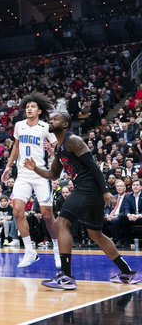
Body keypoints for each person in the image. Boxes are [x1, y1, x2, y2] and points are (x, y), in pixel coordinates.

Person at [25, 112, 140, 290]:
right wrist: (35, 169)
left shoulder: (74, 140)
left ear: (65, 124)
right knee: (95, 234)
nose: (51, 121)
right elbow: (53, 174)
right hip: (88, 190)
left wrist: (105, 191)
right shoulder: (59, 148)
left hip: (88, 187)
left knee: (61, 223)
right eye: (50, 119)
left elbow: (94, 166)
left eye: (56, 119)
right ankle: (127, 272)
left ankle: (66, 276)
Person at [2, 91, 60, 269]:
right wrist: (8, 166)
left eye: (33, 106)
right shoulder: (19, 125)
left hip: (41, 174)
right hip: (23, 175)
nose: (29, 109)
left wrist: (51, 150)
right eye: (27, 106)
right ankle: (29, 252)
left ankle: (57, 249)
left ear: (39, 111)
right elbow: (16, 147)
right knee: (17, 212)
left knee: (47, 215)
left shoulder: (45, 127)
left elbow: (58, 147)